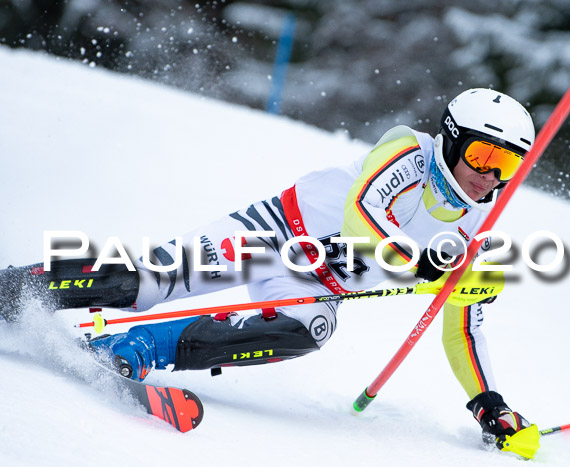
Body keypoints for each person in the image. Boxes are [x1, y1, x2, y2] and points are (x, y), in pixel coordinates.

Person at [0, 88, 534, 443]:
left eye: (507, 165)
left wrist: (487, 402)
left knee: (312, 328)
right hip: (271, 234)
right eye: (485, 157)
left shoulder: (478, 234)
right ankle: (16, 288)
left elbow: (464, 328)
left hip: (312, 282)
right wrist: (412, 260)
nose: (490, 177)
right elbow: (358, 219)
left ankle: (130, 348)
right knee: (148, 283)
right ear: (453, 138)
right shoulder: (407, 153)